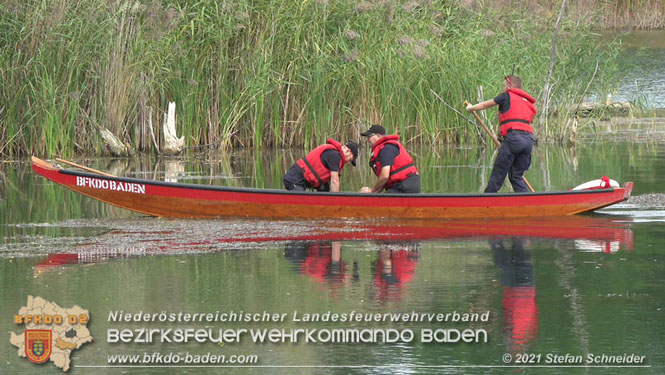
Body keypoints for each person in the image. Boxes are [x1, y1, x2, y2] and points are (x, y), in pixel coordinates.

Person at [466, 75, 537, 193]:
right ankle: (528, 203)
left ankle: (486, 201)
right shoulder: (528, 102)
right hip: (529, 140)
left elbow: (484, 105)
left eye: (505, 86)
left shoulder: (506, 96)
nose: (504, 88)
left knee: (498, 174)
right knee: (516, 176)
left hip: (514, 139)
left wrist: (471, 108)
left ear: (511, 86)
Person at [359, 125, 420, 193]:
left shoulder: (386, 149)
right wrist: (373, 193)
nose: (368, 140)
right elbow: (385, 180)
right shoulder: (383, 148)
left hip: (404, 186)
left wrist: (372, 190)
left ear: (378, 136)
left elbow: (385, 176)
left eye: (369, 136)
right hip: (400, 185)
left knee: (382, 202)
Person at [283, 139, 358, 192]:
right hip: (294, 178)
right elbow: (335, 181)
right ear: (348, 151)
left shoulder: (334, 154)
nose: (348, 162)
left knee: (325, 189)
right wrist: (336, 203)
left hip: (303, 180)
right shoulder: (335, 156)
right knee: (302, 202)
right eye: (350, 159)